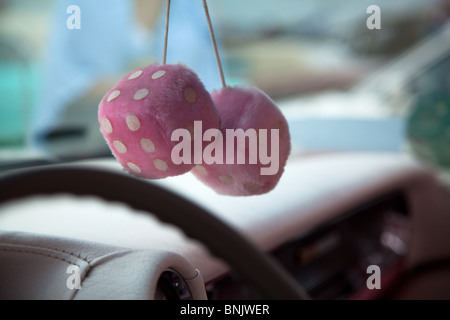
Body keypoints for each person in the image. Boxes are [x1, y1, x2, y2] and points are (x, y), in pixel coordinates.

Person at [31, 0, 224, 157]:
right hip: (82, 150)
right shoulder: (75, 6)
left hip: (176, 151)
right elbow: (65, 81)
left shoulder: (192, 5)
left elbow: (207, 81)